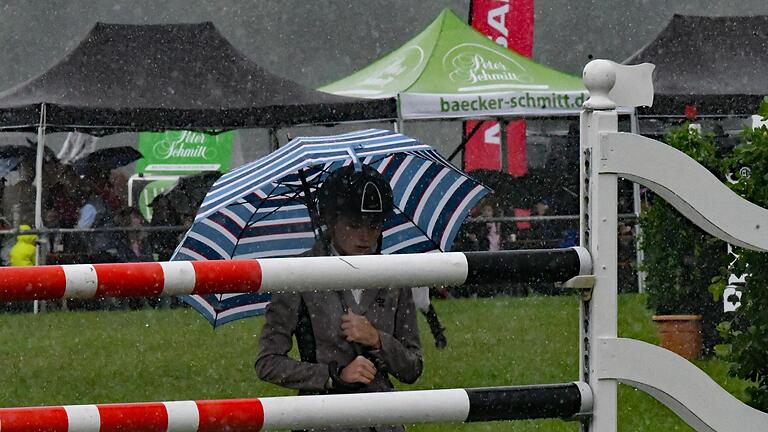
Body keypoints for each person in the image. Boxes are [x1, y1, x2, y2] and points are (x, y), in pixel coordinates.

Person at [256, 164, 423, 432]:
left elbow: (413, 367)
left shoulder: (395, 277)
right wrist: (334, 376)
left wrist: (378, 340)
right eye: (354, 225)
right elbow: (268, 362)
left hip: (383, 421)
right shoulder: (296, 275)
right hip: (322, 419)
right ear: (332, 222)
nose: (365, 236)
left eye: (374, 226)